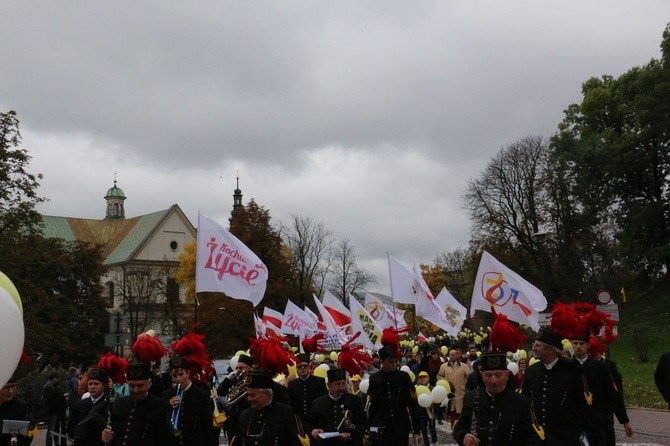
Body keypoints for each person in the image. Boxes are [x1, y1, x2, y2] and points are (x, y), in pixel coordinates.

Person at [453, 352, 539, 446]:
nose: (493, 381)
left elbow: (531, 437)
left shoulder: (521, 401)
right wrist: (463, 437)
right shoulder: (470, 397)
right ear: (482, 376)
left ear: (507, 375)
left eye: (498, 375)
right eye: (488, 375)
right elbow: (459, 428)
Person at [521, 328, 589, 445]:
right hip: (537, 439)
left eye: (538, 346)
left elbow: (582, 405)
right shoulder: (531, 371)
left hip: (564, 437)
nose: (533, 349)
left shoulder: (572, 370)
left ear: (550, 349)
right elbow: (525, 402)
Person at [571, 334, 633, 446]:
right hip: (576, 423)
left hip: (598, 422)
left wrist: (625, 420)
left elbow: (613, 395)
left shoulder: (601, 367)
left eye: (582, 343)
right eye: (575, 343)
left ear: (588, 345)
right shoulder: (567, 367)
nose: (578, 347)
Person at [100, 362, 171, 446]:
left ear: (149, 383)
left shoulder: (162, 407)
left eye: (140, 386)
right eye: (132, 386)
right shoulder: (119, 403)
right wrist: (106, 437)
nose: (135, 390)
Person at [366, 344, 421, 446]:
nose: (394, 364)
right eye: (390, 362)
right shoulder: (374, 379)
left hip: (401, 426)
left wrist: (417, 430)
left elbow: (412, 404)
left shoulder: (404, 377)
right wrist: (368, 429)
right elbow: (373, 405)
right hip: (382, 427)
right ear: (382, 362)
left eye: (395, 361)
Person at [236, 370, 300, 446]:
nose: (249, 399)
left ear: (266, 394)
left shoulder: (286, 413)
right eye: (248, 395)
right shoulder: (244, 415)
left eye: (253, 395)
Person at [163, 356, 213, 446]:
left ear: (188, 373)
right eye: (174, 376)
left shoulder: (201, 394)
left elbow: (207, 425)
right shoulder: (167, 395)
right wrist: (168, 406)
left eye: (181, 374)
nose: (178, 379)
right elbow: (162, 423)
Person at [308, 368, 366, 446]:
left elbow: (362, 423)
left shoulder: (354, 400)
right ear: (329, 385)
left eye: (343, 383)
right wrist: (314, 430)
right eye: (337, 384)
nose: (341, 387)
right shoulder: (318, 403)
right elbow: (310, 423)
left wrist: (351, 434)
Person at [68, 367, 109, 442]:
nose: (92, 387)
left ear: (103, 385)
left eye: (96, 384)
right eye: (90, 384)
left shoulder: (110, 405)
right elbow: (71, 427)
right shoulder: (79, 405)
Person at [218, 354, 254, 440]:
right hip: (234, 423)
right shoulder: (234, 381)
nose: (238, 370)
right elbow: (220, 392)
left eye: (241, 368)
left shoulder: (253, 382)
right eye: (237, 368)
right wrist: (227, 379)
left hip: (249, 422)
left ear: (249, 368)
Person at [288, 353, 327, 427]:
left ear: (309, 366)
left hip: (316, 422)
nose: (302, 368)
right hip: (299, 424)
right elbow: (291, 404)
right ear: (296, 368)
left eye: (305, 365)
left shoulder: (319, 382)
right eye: (299, 366)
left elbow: (324, 402)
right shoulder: (292, 384)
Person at [437, 349, 470, 428]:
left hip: (461, 393)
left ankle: (463, 429)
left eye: (454, 355)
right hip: (450, 393)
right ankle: (454, 429)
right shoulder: (444, 366)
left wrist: (466, 388)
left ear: (457, 355)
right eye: (450, 355)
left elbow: (470, 377)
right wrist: (446, 382)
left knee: (462, 412)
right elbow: (439, 376)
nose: (452, 357)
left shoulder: (464, 366)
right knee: (452, 412)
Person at [0, 374, 32, 446]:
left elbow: (28, 434)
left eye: (13, 386)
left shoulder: (21, 407)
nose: (11, 391)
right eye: (6, 388)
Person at [43, 372, 67, 446]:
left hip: (52, 411)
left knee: (52, 429)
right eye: (57, 378)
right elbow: (52, 401)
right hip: (52, 411)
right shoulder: (50, 387)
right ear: (53, 378)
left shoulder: (49, 386)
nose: (58, 379)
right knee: (51, 430)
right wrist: (62, 397)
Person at [416, 371, 437, 446]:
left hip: (431, 412)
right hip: (421, 412)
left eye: (424, 377)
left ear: (428, 378)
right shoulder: (417, 388)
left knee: (432, 429)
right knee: (423, 431)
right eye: (420, 377)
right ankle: (426, 444)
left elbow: (437, 400)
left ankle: (434, 441)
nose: (422, 379)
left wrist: (433, 404)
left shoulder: (432, 388)